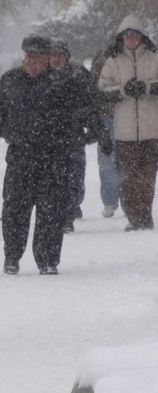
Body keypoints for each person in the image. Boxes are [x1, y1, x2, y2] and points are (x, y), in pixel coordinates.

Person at [0, 36, 112, 276]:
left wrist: (100, 133)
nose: (32, 61)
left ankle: (48, 260)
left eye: (38, 57)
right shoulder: (10, 81)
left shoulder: (64, 83)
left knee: (51, 212)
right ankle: (12, 256)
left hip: (55, 157)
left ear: (47, 59)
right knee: (14, 210)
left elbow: (86, 109)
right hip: (21, 156)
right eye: (29, 56)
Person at [98, 15, 158, 231]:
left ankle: (145, 214)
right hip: (125, 131)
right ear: (121, 39)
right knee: (130, 176)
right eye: (127, 37)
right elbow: (102, 88)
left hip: (151, 128)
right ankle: (134, 217)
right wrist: (123, 91)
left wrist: (148, 87)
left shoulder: (154, 58)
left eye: (135, 36)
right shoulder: (113, 62)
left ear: (142, 38)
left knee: (148, 175)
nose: (131, 40)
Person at [49, 39, 97, 232]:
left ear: (67, 57)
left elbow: (91, 101)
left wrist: (92, 127)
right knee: (55, 176)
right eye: (53, 55)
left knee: (75, 173)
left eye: (60, 55)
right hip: (50, 135)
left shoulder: (78, 74)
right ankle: (62, 213)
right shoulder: (44, 75)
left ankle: (72, 205)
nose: (57, 59)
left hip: (73, 133)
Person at [90, 43, 122, 218]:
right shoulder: (104, 60)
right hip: (111, 116)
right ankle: (115, 200)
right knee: (113, 160)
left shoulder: (101, 59)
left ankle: (116, 201)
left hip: (121, 116)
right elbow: (95, 89)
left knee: (112, 161)